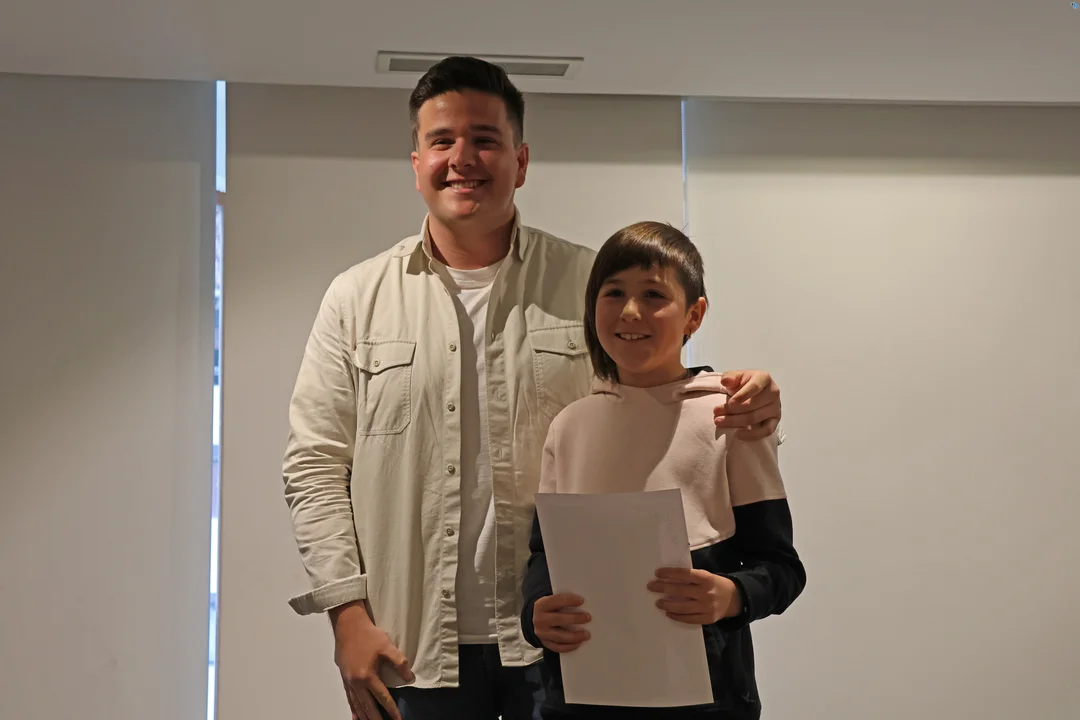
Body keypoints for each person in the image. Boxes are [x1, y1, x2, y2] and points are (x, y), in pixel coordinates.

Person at [281, 56, 785, 720]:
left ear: (520, 162)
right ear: (416, 162)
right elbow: (315, 465)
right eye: (442, 140)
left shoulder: (588, 284)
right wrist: (346, 615)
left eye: (485, 139)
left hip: (568, 640)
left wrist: (742, 399)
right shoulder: (355, 299)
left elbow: (654, 403)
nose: (463, 158)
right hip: (408, 644)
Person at [520, 222, 805, 719]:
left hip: (707, 699)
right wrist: (535, 614)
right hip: (583, 697)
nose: (631, 311)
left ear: (695, 315)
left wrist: (731, 596)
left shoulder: (730, 418)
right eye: (614, 293)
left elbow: (782, 568)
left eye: (654, 294)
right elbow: (545, 555)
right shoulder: (570, 426)